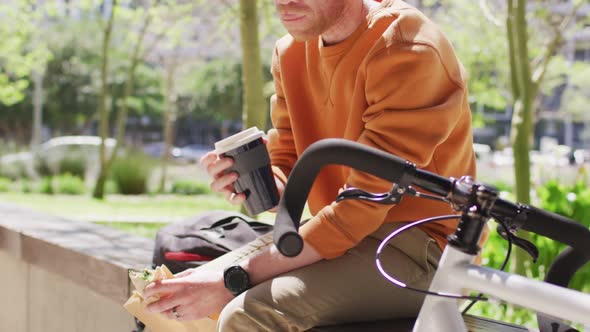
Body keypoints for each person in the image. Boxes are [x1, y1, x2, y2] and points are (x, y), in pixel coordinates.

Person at [143, 0, 476, 330]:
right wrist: (256, 184)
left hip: (421, 251)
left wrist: (233, 280)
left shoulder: (406, 47)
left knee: (246, 313)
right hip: (336, 236)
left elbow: (360, 207)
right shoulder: (290, 53)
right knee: (176, 292)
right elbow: (289, 167)